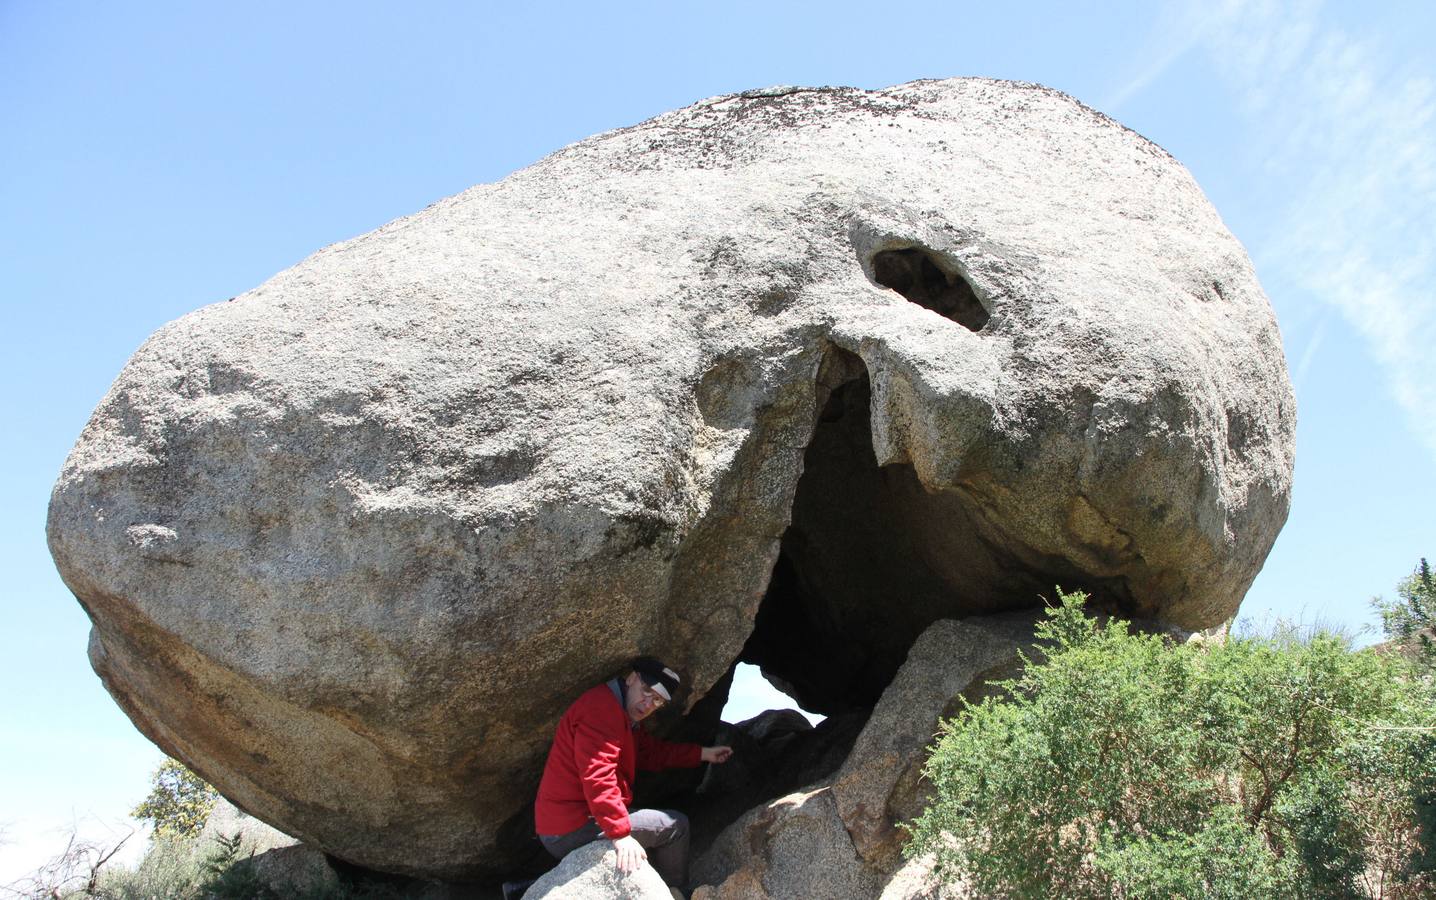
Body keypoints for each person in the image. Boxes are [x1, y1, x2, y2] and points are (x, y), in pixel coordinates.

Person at [530, 656, 733, 893]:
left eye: (657, 701)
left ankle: (526, 887)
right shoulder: (601, 711)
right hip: (569, 827)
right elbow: (598, 776)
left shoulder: (621, 713)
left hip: (565, 822)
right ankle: (676, 891)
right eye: (646, 690)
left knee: (650, 827)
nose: (647, 704)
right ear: (631, 678)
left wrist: (703, 754)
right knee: (676, 826)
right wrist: (620, 835)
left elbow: (652, 753)